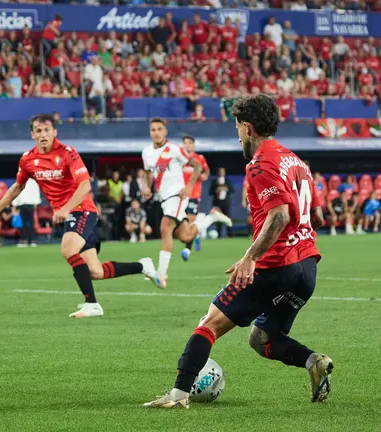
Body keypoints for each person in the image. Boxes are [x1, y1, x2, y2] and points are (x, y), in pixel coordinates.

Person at [144, 94, 333, 409]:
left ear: (248, 128)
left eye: (237, 128)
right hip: (307, 268)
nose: (238, 135)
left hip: (276, 266)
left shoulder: (261, 162)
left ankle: (177, 396)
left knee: (210, 322)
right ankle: (314, 362)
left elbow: (280, 215)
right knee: (262, 339)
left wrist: (250, 257)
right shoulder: (295, 161)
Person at [0, 114, 164, 318]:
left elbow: (85, 185)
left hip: (82, 209)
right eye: (38, 131)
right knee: (96, 272)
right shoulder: (28, 159)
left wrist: (66, 208)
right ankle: (143, 266)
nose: (43, 135)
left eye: (47, 130)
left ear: (54, 132)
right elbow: (18, 185)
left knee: (67, 248)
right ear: (32, 134)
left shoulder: (68, 153)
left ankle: (92, 304)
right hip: (65, 214)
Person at [141, 118, 232, 283]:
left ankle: (161, 274)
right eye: (153, 130)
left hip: (178, 195)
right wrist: (147, 188)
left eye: (159, 129)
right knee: (185, 236)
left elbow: (197, 166)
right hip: (164, 199)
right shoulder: (146, 152)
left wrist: (189, 187)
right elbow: (148, 173)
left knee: (165, 227)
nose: (156, 133)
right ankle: (211, 217)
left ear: (165, 131)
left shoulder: (175, 149)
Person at [180, 136, 210, 261]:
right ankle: (197, 231)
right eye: (185, 143)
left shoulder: (200, 158)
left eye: (189, 143)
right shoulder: (180, 159)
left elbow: (206, 172)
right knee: (182, 223)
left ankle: (187, 249)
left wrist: (204, 175)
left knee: (190, 221)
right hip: (181, 195)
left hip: (194, 194)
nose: (187, 145)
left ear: (193, 145)